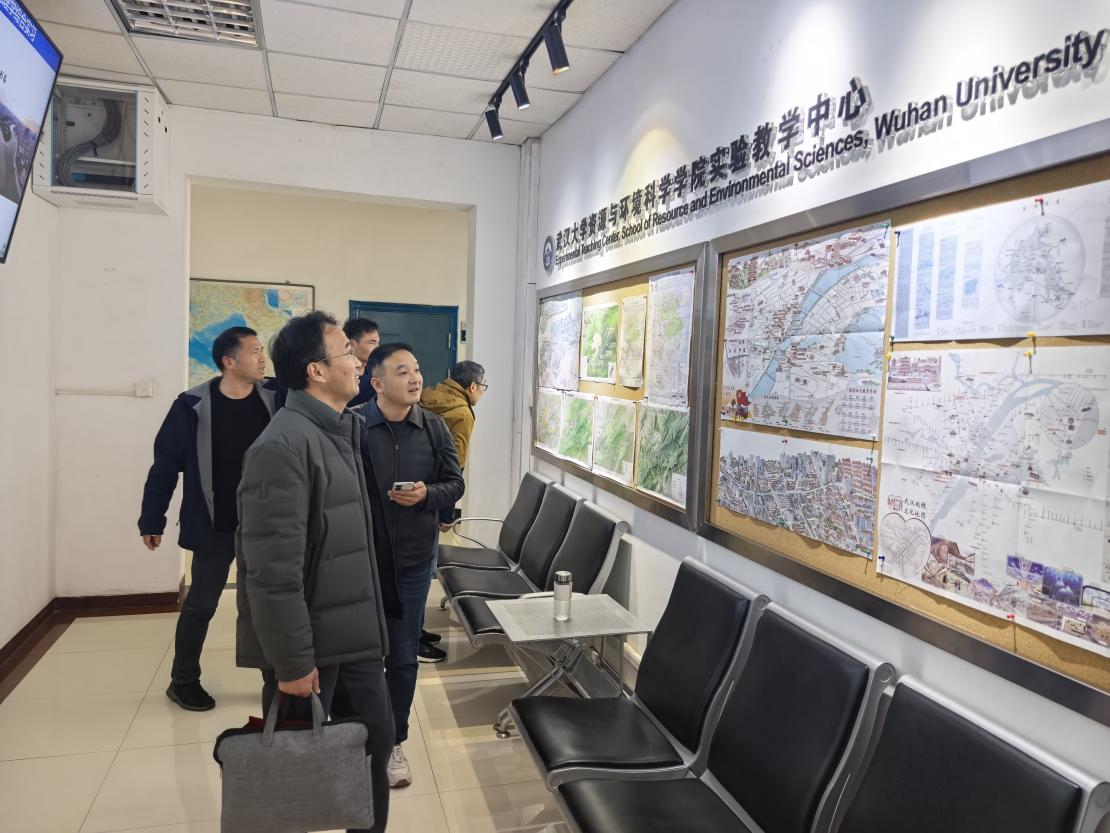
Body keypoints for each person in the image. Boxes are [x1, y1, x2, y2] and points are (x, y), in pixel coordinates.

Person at [236, 311, 395, 833]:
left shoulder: (337, 430)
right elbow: (270, 573)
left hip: (353, 639)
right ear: (316, 371)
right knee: (298, 770)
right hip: (314, 651)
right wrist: (292, 662)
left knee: (372, 749)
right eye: (347, 351)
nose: (359, 360)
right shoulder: (282, 446)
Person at [138, 326, 277, 711]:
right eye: (254, 351)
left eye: (261, 349)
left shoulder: (276, 398)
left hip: (265, 524)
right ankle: (183, 680)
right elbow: (165, 465)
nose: (262, 358)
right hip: (215, 525)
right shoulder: (191, 405)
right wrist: (152, 519)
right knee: (201, 604)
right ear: (229, 361)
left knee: (266, 605)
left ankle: (276, 679)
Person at [361, 343, 464, 788]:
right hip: (361, 562)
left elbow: (455, 484)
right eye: (402, 371)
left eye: (417, 369)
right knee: (362, 657)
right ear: (377, 383)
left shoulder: (434, 427)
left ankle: (393, 742)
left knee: (403, 657)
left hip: (413, 561)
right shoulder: (353, 426)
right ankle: (358, 738)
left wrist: (427, 495)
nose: (415, 378)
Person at [417, 360, 487, 650]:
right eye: (483, 387)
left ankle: (415, 629)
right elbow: (454, 465)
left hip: (415, 486)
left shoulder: (428, 396)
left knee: (415, 567)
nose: (482, 392)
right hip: (435, 494)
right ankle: (413, 637)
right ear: (472, 386)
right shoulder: (462, 412)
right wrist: (447, 512)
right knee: (423, 568)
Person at [344, 317, 381, 407]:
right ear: (352, 344)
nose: (378, 348)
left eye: (378, 343)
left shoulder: (377, 371)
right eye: (372, 342)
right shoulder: (341, 373)